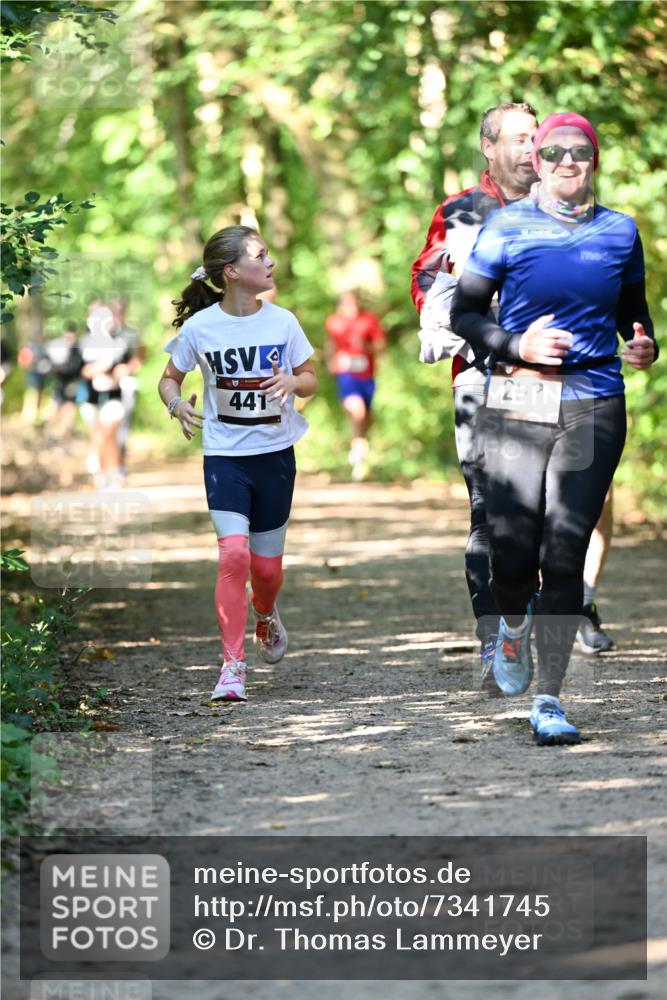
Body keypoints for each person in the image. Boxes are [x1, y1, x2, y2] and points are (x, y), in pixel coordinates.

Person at [450, 111, 657, 745]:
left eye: (581, 153)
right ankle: (511, 630)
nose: (569, 162)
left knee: (563, 550)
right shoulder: (506, 226)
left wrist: (643, 344)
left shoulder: (620, 231)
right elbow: (464, 313)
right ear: (537, 163)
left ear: (594, 162)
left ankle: (550, 699)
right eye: (556, 153)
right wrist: (517, 342)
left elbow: (634, 316)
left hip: (594, 399)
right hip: (517, 394)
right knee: (512, 552)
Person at [158, 225, 317, 703]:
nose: (270, 262)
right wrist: (176, 405)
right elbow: (169, 379)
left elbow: (311, 379)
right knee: (233, 555)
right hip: (225, 455)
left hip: (274, 455)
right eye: (261, 255)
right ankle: (232, 666)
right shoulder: (200, 328)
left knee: (266, 571)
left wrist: (292, 383)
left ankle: (264, 613)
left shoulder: (283, 321)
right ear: (231, 272)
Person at [411, 102, 539, 684]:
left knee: (540, 509)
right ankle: (495, 640)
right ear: (489, 148)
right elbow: (426, 280)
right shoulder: (464, 209)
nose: (529, 147)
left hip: (546, 380)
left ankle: (524, 623)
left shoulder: (561, 205)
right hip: (479, 375)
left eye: (535, 136)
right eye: (517, 138)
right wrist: (461, 314)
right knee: (489, 508)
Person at [325, 290, 385, 480]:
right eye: (346, 302)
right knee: (356, 411)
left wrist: (364, 346)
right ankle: (358, 454)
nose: (350, 306)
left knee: (366, 418)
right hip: (346, 375)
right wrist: (330, 363)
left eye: (353, 302)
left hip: (367, 376)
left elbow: (380, 346)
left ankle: (358, 450)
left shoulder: (369, 320)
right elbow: (330, 343)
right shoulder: (334, 321)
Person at [46, 322, 83, 442]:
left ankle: (66, 434)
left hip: (71, 382)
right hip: (59, 382)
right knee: (56, 407)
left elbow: (75, 367)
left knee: (69, 409)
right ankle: (50, 433)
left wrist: (60, 368)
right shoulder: (59, 347)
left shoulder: (77, 350)